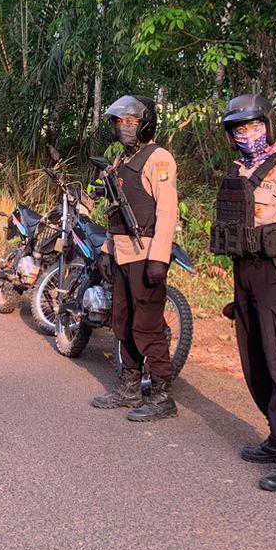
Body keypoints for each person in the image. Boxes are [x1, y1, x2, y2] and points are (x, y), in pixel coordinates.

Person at [209, 93, 276, 491]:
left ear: (268, 126)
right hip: (245, 273)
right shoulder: (240, 169)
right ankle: (275, 434)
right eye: (240, 129)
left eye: (254, 127)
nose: (247, 135)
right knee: (253, 357)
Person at [91, 95, 181, 421]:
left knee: (148, 327)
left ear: (145, 123)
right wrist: (105, 250)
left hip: (146, 254)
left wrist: (160, 257)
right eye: (120, 122)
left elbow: (167, 210)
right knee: (123, 323)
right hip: (121, 254)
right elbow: (113, 213)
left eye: (131, 121)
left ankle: (161, 395)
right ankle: (129, 388)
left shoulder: (158, 159)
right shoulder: (120, 162)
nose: (125, 128)